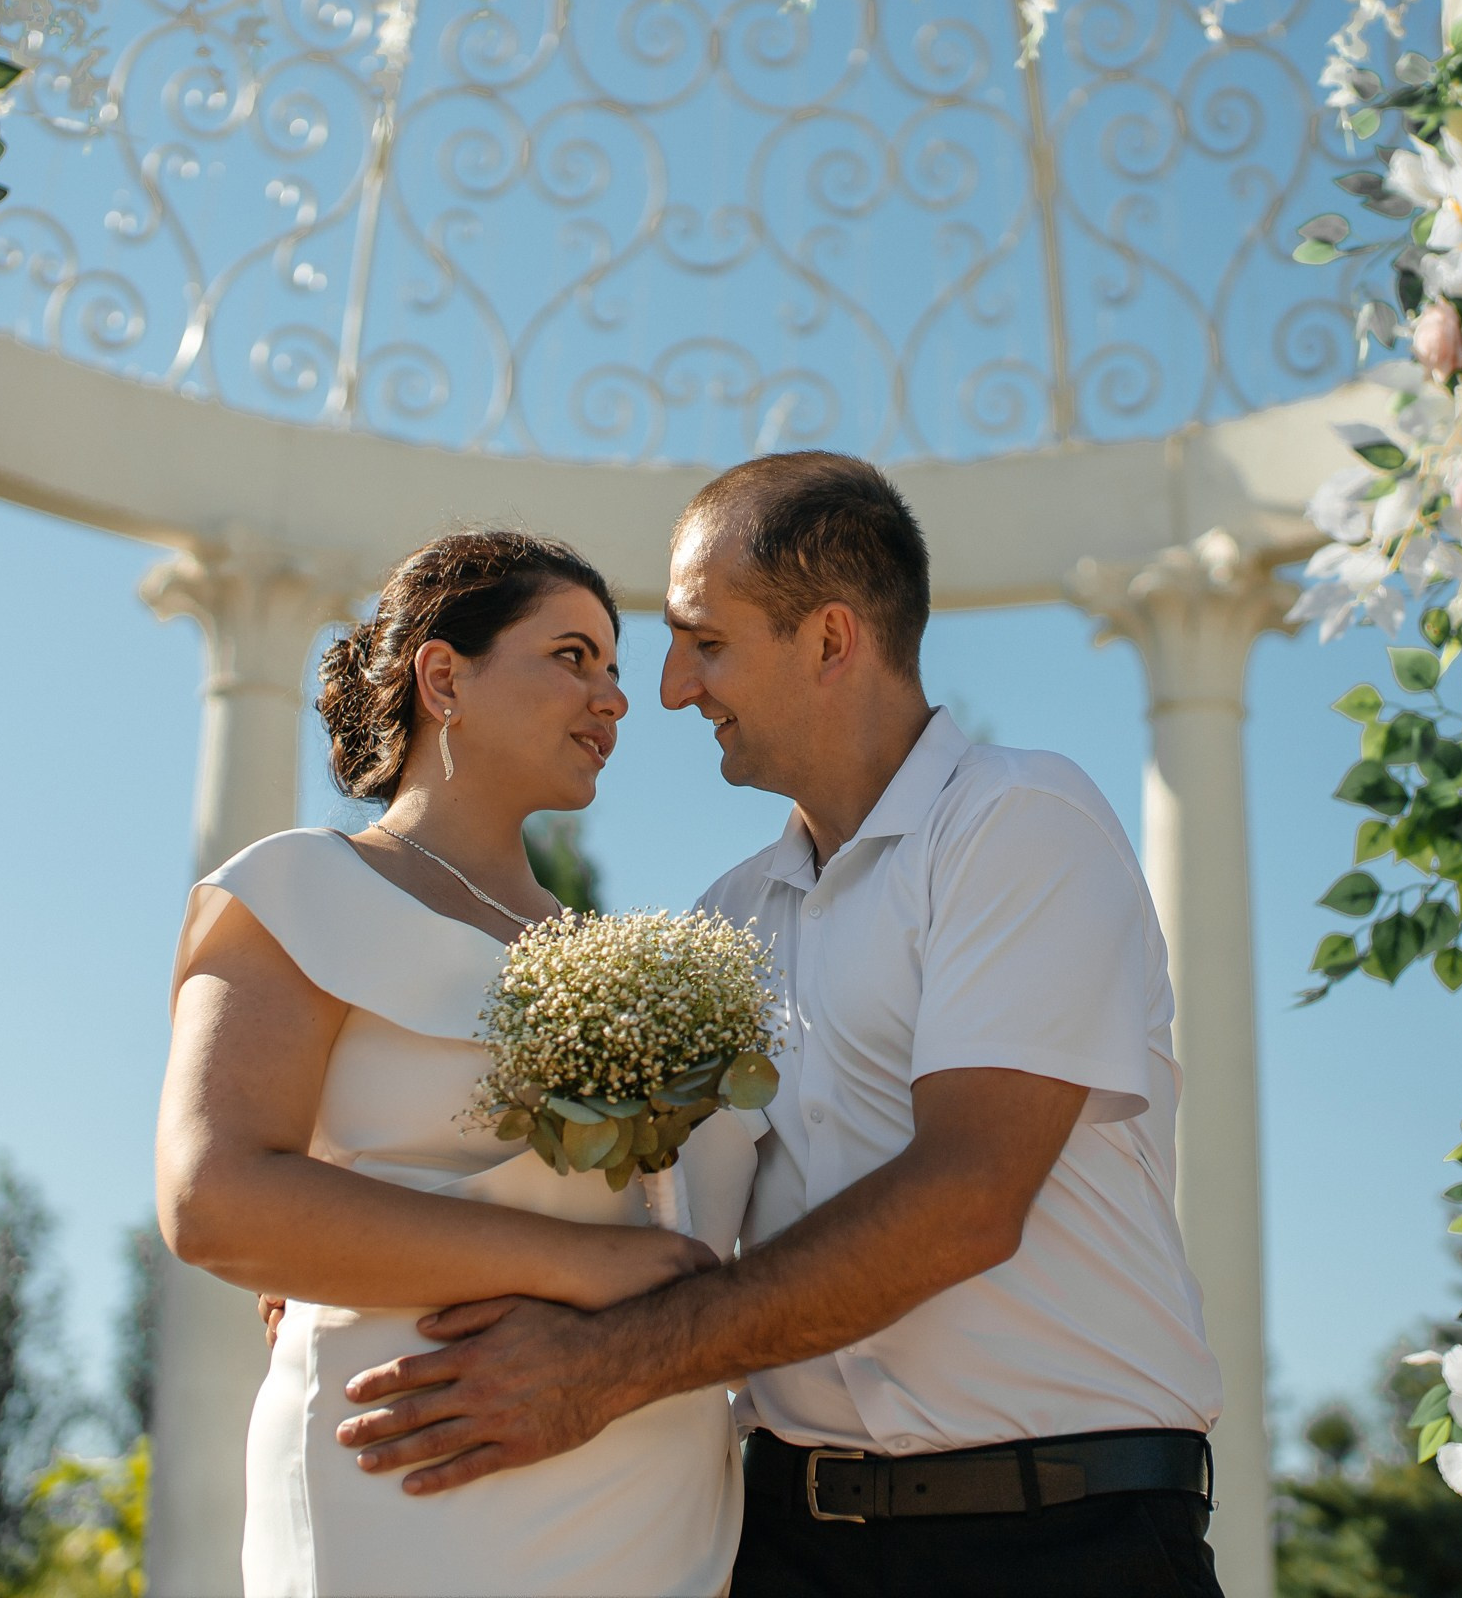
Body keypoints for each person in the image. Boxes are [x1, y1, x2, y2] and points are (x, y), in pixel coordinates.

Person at [334, 453, 1227, 1598]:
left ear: (830, 641)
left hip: (1061, 1539)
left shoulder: (1021, 824)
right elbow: (631, 1200)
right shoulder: (727, 919)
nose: (666, 689)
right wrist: (367, 1254)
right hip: (787, 1550)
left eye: (704, 641)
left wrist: (604, 1369)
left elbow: (967, 1200)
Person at [155, 528, 754, 1597]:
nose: (614, 698)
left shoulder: (600, 956)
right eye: (573, 657)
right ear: (445, 676)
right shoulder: (299, 889)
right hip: (414, 1478)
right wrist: (584, 1268)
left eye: (614, 668)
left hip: (652, 1516)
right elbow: (215, 1199)